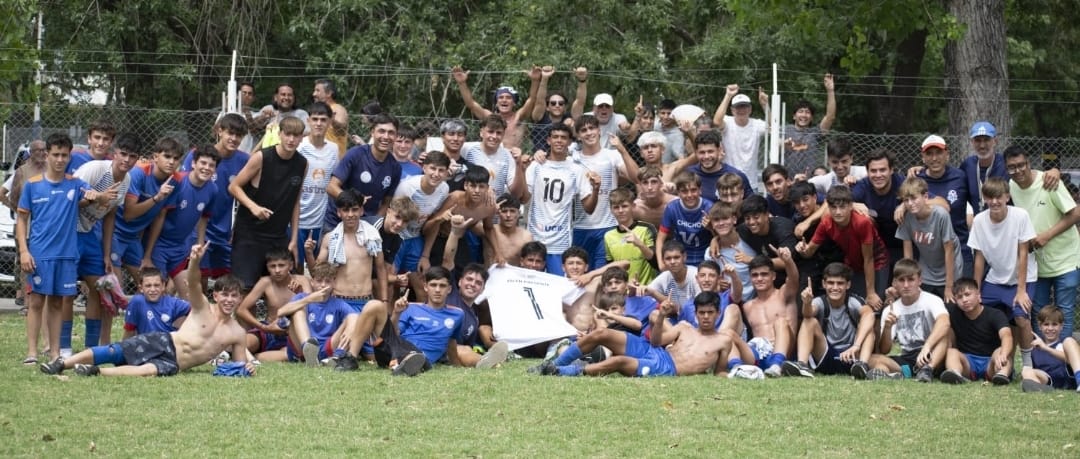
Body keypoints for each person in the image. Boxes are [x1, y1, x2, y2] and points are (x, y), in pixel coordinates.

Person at [40, 242, 253, 377]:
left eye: (234, 296)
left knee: (146, 371)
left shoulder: (237, 333)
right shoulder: (202, 307)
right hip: (164, 341)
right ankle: (62, 363)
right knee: (116, 351)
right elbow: (194, 283)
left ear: (240, 298)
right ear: (216, 295)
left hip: (177, 364)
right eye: (225, 294)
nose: (229, 300)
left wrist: (247, 369)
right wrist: (195, 261)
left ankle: (96, 371)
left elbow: (239, 364)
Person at [17, 134, 99, 364]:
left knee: (57, 303)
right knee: (35, 302)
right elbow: (22, 220)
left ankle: (55, 352)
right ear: (47, 155)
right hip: (40, 254)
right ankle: (32, 352)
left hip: (66, 255)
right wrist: (24, 251)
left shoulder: (75, 183)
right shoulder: (33, 185)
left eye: (64, 155)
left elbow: (95, 195)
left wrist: (95, 195)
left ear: (69, 156)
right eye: (56, 154)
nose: (60, 159)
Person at [538, 291, 738, 377]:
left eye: (710, 313)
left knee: (619, 362)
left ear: (718, 313)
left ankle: (562, 372)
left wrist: (733, 375)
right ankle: (554, 364)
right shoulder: (685, 328)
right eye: (701, 313)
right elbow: (657, 341)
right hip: (655, 351)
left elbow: (719, 372)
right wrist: (660, 317)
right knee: (601, 332)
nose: (705, 317)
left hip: (667, 367)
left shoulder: (723, 341)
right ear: (696, 313)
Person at [1005, 146, 1080, 340]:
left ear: (1029, 163)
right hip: (1037, 263)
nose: (1018, 171)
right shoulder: (1011, 187)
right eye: (1012, 168)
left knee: (1064, 312)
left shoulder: (1049, 181)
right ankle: (1043, 358)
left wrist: (1047, 235)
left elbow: (1075, 213)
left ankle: (1064, 360)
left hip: (1066, 259)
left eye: (1021, 165)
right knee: (1039, 312)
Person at [229, 115, 308, 290]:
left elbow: (295, 202)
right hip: (250, 234)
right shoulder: (261, 157)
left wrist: (294, 239)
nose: (291, 139)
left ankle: (274, 319)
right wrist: (253, 207)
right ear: (279, 134)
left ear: (302, 138)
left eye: (296, 136)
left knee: (280, 289)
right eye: (288, 134)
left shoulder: (302, 163)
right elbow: (234, 187)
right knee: (245, 289)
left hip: (278, 236)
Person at [968, 176, 1037, 372]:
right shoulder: (979, 220)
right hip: (995, 279)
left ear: (1007, 196)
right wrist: (976, 291)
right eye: (990, 197)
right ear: (984, 199)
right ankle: (993, 361)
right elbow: (979, 259)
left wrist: (1021, 290)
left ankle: (1027, 366)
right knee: (977, 312)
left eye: (999, 197)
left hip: (1023, 279)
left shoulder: (1020, 216)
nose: (995, 201)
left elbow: (1023, 254)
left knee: (1021, 318)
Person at [142, 146, 218, 300]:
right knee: (154, 295)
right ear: (193, 164)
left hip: (180, 247)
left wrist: (200, 244)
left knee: (190, 297)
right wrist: (148, 254)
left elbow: (204, 217)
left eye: (211, 165)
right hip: (159, 245)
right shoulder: (177, 182)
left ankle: (180, 324)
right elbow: (160, 216)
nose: (206, 168)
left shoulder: (213, 189)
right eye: (203, 163)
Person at [182, 113, 250, 282]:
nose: (234, 139)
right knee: (198, 279)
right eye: (230, 133)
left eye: (239, 135)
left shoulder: (244, 160)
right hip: (196, 228)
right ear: (220, 131)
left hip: (223, 230)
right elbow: (183, 187)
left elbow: (245, 198)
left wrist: (238, 229)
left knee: (227, 281)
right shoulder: (200, 156)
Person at [524, 124, 599, 275]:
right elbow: (523, 197)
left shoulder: (576, 170)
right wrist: (521, 168)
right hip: (535, 237)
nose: (559, 141)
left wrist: (596, 189)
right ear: (548, 140)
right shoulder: (536, 166)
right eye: (555, 137)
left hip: (560, 241)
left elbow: (588, 208)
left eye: (563, 137)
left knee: (557, 287)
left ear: (570, 142)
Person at [795, 185, 888, 307]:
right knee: (855, 305)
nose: (838, 212)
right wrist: (802, 249)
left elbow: (868, 258)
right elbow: (809, 252)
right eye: (833, 207)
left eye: (842, 207)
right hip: (853, 262)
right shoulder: (826, 222)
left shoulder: (862, 222)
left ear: (850, 206)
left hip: (877, 262)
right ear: (828, 207)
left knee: (874, 304)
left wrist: (871, 292)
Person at [785, 263, 877, 378]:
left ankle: (862, 366)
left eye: (840, 283)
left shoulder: (853, 301)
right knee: (809, 321)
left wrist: (856, 346)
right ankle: (802, 365)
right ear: (824, 284)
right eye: (830, 283)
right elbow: (807, 314)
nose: (835, 287)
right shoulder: (820, 301)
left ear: (848, 285)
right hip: (827, 353)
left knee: (869, 329)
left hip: (852, 355)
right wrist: (807, 303)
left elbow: (869, 315)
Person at [254, 263, 357, 365]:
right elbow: (281, 312)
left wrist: (350, 328)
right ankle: (308, 349)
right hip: (300, 346)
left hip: (326, 347)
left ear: (334, 283)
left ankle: (338, 355)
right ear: (312, 282)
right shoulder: (302, 297)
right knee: (298, 310)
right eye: (319, 281)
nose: (323, 285)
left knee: (352, 318)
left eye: (328, 281)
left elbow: (355, 317)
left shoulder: (338, 303)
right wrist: (309, 299)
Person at [865, 258, 950, 382]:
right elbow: (884, 350)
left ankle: (927, 370)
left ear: (920, 281)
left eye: (911, 280)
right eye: (901, 280)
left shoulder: (932, 300)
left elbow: (945, 322)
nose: (906, 285)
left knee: (945, 336)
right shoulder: (890, 309)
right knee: (871, 359)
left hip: (931, 353)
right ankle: (891, 375)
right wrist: (888, 327)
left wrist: (927, 346)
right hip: (907, 357)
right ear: (894, 283)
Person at [571, 115, 637, 269]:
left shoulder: (611, 155)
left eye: (592, 128)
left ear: (599, 130)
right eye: (583, 130)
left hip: (607, 225)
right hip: (580, 226)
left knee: (602, 273)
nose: (588, 133)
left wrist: (622, 150)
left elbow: (636, 178)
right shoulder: (572, 159)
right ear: (578, 136)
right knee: (579, 273)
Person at [113, 138, 182, 281]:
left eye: (176, 158)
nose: (171, 162)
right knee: (115, 286)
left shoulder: (175, 180)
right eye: (167, 156)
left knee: (147, 282)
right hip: (115, 232)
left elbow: (159, 216)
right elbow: (128, 214)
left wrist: (147, 255)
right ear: (155, 157)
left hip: (134, 237)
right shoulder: (139, 173)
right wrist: (157, 197)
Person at [311, 190, 388, 316]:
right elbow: (316, 272)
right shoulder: (330, 238)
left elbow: (380, 268)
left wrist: (384, 300)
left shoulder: (372, 236)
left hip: (365, 301)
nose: (350, 214)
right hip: (337, 301)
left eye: (355, 209)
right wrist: (309, 253)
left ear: (361, 211)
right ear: (339, 212)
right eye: (346, 210)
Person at [911, 135, 973, 278]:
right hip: (929, 254)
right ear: (923, 157)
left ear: (947, 154)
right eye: (929, 154)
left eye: (938, 153)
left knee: (963, 297)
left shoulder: (961, 177)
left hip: (961, 248)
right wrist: (903, 206)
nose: (934, 158)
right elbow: (906, 201)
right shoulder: (917, 180)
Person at [326, 113, 401, 227]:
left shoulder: (395, 168)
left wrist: (374, 223)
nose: (386, 136)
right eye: (381, 131)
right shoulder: (356, 154)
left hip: (365, 225)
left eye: (391, 132)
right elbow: (331, 187)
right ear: (372, 132)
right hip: (337, 220)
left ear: (396, 136)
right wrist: (354, 200)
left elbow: (386, 202)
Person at [236, 248, 312, 358]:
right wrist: (263, 327)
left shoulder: (302, 280)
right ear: (267, 267)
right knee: (243, 344)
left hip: (291, 334)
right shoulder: (265, 282)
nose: (277, 270)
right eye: (272, 266)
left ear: (290, 266)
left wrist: (300, 293)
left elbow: (312, 307)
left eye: (281, 265)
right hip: (268, 330)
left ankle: (257, 357)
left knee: (287, 355)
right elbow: (241, 310)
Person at [895, 177, 961, 302]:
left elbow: (949, 250)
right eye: (906, 200)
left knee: (950, 306)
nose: (910, 203)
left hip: (949, 270)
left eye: (914, 198)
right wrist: (909, 281)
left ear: (925, 197)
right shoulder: (907, 217)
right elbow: (908, 255)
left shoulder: (940, 214)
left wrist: (949, 285)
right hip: (927, 270)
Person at [939, 278, 1013, 385]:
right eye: (960, 297)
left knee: (1001, 351)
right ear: (955, 300)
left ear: (978, 295)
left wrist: (1004, 354)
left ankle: (1001, 376)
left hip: (991, 361)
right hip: (968, 363)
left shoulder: (995, 314)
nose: (964, 300)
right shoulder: (953, 312)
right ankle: (955, 374)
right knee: (952, 352)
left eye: (967, 294)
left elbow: (1007, 336)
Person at [740, 247, 799, 377]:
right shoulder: (748, 306)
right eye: (755, 275)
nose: (759, 278)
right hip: (759, 355)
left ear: (773, 276)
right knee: (730, 335)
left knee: (781, 321)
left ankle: (776, 365)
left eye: (764, 274)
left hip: (785, 355)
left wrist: (788, 261)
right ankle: (735, 368)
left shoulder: (784, 294)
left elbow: (793, 278)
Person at [295, 102, 340, 274]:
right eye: (315, 119)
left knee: (319, 267)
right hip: (298, 217)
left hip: (321, 218)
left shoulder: (334, 149)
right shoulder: (300, 147)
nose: (319, 123)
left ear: (330, 122)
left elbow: (335, 180)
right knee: (296, 265)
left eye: (323, 119)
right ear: (308, 120)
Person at [452, 65, 540, 149]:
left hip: (513, 159)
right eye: (501, 97)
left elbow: (532, 99)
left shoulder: (518, 117)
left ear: (514, 103)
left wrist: (535, 80)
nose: (504, 100)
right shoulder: (490, 117)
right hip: (492, 157)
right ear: (497, 103)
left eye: (508, 98)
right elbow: (470, 104)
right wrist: (461, 83)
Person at [392, 151, 450, 277]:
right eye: (432, 169)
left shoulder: (444, 189)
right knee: (392, 279)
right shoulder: (407, 188)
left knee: (421, 280)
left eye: (441, 170)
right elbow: (392, 217)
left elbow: (435, 223)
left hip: (416, 236)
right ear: (424, 168)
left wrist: (425, 255)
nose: (436, 174)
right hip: (397, 236)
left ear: (446, 173)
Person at [713, 84, 769, 192]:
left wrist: (765, 105)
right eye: (738, 107)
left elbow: (773, 127)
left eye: (744, 106)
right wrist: (728, 95)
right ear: (732, 110)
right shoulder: (728, 122)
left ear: (750, 109)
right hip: (728, 181)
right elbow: (716, 121)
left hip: (750, 182)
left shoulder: (757, 124)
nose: (741, 110)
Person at [783, 74, 836, 179]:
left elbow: (830, 117)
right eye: (800, 111)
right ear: (794, 116)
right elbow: (772, 130)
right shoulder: (785, 130)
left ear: (811, 117)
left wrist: (830, 91)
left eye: (807, 112)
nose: (804, 115)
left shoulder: (815, 133)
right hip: (788, 181)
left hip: (810, 181)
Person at [462, 115, 526, 200]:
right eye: (490, 132)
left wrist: (519, 164)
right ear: (481, 132)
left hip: (494, 209)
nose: (494, 136)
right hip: (469, 207)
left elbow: (516, 194)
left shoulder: (508, 156)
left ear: (503, 134)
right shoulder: (467, 149)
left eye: (499, 133)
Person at [657, 172, 713, 268]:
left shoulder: (709, 207)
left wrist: (711, 228)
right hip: (679, 257)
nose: (689, 195)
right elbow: (660, 239)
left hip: (705, 257)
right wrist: (661, 264)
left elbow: (720, 238)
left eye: (693, 190)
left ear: (700, 190)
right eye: (684, 191)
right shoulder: (672, 208)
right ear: (678, 193)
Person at [604, 188, 658, 285]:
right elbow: (611, 268)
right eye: (616, 207)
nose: (620, 211)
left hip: (646, 290)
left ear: (633, 206)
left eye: (624, 206)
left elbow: (656, 263)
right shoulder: (608, 235)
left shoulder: (647, 228)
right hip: (622, 292)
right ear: (611, 210)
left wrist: (640, 244)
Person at [1021, 305, 1080, 392]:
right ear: (1040, 326)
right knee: (1026, 371)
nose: (1050, 328)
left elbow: (1069, 359)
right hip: (1048, 381)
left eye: (1054, 324)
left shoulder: (1065, 344)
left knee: (1069, 340)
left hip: (1067, 380)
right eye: (1046, 324)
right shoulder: (1035, 349)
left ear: (1061, 326)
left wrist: (1046, 348)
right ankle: (1041, 389)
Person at [675, 260, 743, 334]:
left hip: (725, 341)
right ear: (697, 279)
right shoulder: (688, 306)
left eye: (712, 276)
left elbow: (737, 295)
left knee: (733, 308)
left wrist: (734, 276)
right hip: (698, 343)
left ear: (719, 279)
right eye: (702, 275)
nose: (706, 280)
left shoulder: (726, 298)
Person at [530, 66, 587, 154]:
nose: (557, 105)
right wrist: (544, 78)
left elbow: (580, 102)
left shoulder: (570, 118)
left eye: (561, 103)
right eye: (553, 103)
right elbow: (540, 101)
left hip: (567, 159)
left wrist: (582, 80)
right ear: (547, 107)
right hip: (541, 158)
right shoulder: (540, 117)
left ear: (565, 107)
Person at [683, 130, 753, 202]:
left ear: (719, 150)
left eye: (710, 151)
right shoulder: (689, 174)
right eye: (702, 152)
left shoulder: (736, 175)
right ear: (696, 153)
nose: (706, 156)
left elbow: (750, 206)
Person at [122, 267, 190, 338]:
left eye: (156, 285)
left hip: (169, 345)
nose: (153, 289)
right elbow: (129, 330)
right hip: (146, 345)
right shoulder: (137, 302)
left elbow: (197, 310)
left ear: (163, 286)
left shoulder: (172, 303)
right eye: (148, 286)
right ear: (141, 288)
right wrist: (124, 348)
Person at [646, 240, 701, 311]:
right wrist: (635, 290)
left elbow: (701, 306)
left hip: (695, 316)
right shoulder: (665, 276)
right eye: (668, 258)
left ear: (684, 257)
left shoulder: (695, 275)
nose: (672, 262)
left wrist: (654, 293)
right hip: (675, 318)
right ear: (663, 261)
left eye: (676, 257)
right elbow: (648, 292)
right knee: (654, 314)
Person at [251, 83, 309, 150]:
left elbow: (308, 133)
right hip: (268, 153)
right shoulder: (269, 109)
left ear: (294, 98)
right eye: (283, 94)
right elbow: (252, 128)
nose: (286, 98)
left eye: (290, 95)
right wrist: (263, 118)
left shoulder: (301, 114)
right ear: (276, 97)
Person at [489, 194, 532, 267]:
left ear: (518, 213)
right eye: (504, 211)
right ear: (497, 212)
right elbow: (472, 222)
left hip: (513, 277)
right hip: (489, 276)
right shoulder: (488, 230)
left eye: (512, 211)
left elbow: (529, 263)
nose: (508, 215)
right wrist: (489, 211)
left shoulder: (526, 237)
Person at [311, 78, 349, 158]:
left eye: (318, 91)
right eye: (314, 90)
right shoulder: (317, 111)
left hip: (335, 160)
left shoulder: (337, 108)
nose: (314, 94)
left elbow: (342, 131)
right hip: (319, 158)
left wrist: (332, 120)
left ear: (329, 93)